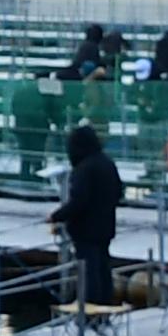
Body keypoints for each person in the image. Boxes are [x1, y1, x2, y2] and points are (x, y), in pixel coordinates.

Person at [54, 124, 122, 316]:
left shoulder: (83, 169)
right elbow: (119, 192)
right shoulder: (108, 163)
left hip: (85, 230)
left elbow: (78, 201)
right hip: (106, 226)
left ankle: (90, 314)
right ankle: (104, 310)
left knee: (89, 272)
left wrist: (56, 216)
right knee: (102, 269)